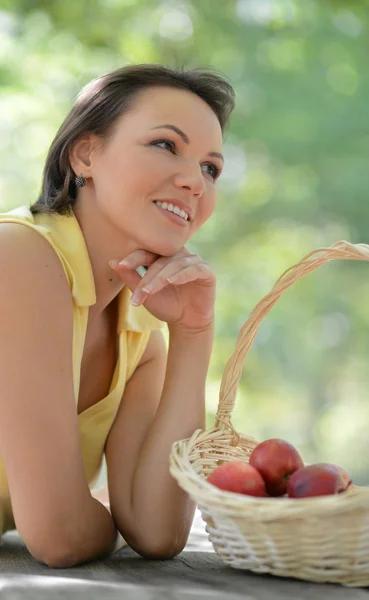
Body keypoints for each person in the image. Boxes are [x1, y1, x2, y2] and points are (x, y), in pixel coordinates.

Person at [0, 64, 235, 568]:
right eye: (166, 145)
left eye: (211, 168)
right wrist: (107, 514)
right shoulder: (17, 255)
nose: (195, 181)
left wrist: (193, 332)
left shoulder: (140, 334)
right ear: (85, 154)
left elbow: (159, 531)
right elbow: (60, 536)